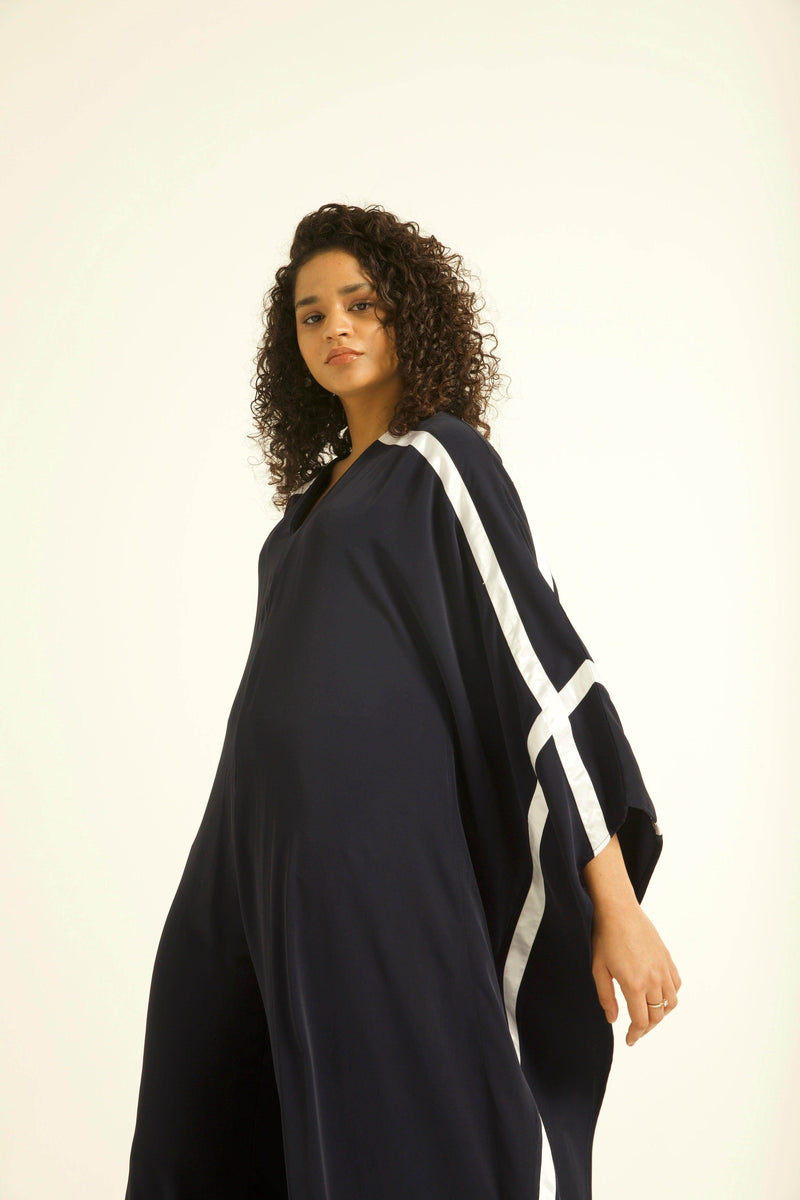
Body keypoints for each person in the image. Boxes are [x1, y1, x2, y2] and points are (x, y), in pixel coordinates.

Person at [124, 202, 681, 1200]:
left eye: (359, 303)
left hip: (372, 869)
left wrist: (616, 903)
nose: (334, 327)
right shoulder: (299, 519)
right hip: (248, 868)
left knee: (398, 1134)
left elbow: (539, 671)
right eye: (310, 315)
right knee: (202, 1123)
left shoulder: (438, 463)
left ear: (406, 315)